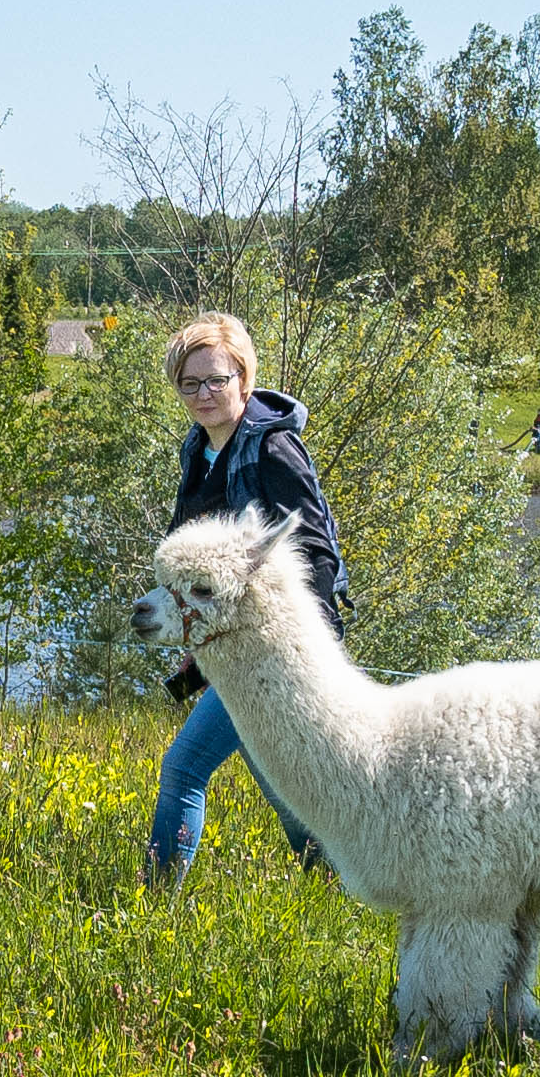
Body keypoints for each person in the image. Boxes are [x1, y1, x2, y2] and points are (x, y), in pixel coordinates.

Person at [144, 310, 342, 890]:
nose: (204, 394)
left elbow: (317, 552)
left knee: (183, 767)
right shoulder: (199, 449)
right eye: (190, 382)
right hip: (229, 652)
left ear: (244, 379)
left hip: (270, 657)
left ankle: (156, 898)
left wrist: (310, 649)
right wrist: (194, 642)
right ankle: (334, 889)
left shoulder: (273, 450)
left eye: (217, 380)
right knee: (281, 785)